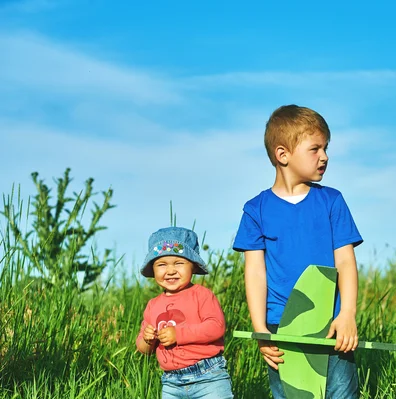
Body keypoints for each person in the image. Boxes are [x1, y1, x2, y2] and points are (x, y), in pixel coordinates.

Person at [233, 104, 363, 398]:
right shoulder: (256, 210)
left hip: (332, 324)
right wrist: (260, 329)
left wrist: (347, 314)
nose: (325, 156)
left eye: (326, 148)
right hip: (282, 326)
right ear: (283, 155)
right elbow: (255, 273)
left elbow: (345, 260)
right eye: (315, 149)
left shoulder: (332, 202)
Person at [136, 226, 234, 399]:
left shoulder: (202, 295)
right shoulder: (153, 305)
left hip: (208, 377)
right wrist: (147, 339)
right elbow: (144, 349)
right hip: (171, 382)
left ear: (193, 267)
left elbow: (215, 327)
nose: (171, 270)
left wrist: (178, 334)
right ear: (153, 269)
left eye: (179, 263)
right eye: (162, 264)